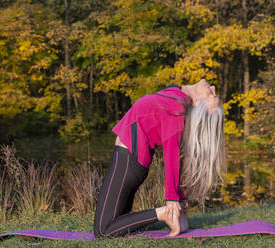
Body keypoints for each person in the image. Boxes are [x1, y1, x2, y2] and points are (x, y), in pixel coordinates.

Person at [93, 79, 226, 238]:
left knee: (102, 231)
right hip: (130, 162)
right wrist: (180, 200)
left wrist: (172, 200)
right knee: (117, 223)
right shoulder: (177, 94)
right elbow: (181, 157)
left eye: (211, 94)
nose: (213, 87)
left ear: (198, 103)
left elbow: (173, 155)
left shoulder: (176, 108)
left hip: (128, 162)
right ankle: (171, 216)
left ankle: (164, 214)